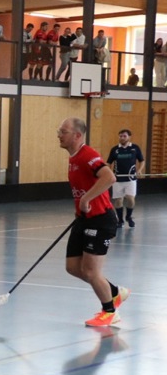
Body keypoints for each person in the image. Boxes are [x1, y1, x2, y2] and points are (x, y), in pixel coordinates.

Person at [57, 117, 127, 327]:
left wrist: (86, 198)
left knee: (90, 271)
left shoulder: (88, 155)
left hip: (100, 219)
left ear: (77, 136)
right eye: (59, 131)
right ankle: (115, 292)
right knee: (72, 267)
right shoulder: (73, 157)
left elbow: (109, 177)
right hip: (84, 219)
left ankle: (109, 311)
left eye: (63, 131)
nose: (59, 135)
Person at [107, 128, 145, 228]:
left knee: (130, 198)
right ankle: (120, 221)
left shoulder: (135, 148)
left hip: (131, 178)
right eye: (120, 136)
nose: (122, 138)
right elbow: (109, 163)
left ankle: (129, 217)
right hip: (118, 179)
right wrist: (110, 173)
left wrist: (139, 170)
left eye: (124, 136)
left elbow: (142, 161)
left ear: (129, 137)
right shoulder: (115, 149)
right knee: (118, 200)